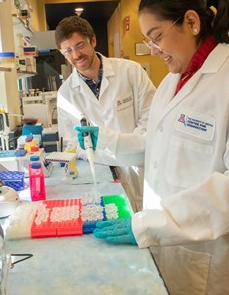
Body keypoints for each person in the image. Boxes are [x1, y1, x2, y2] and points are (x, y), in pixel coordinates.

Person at [75, 0, 229, 295]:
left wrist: (154, 224)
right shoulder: (172, 82)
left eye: (157, 38)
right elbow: (156, 146)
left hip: (223, 261)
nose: (153, 51)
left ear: (191, 22)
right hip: (175, 248)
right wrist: (107, 141)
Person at [55, 15, 155, 212]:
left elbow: (151, 118)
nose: (75, 55)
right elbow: (71, 141)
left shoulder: (130, 71)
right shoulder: (65, 93)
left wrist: (121, 145)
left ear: (93, 41)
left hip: (141, 166)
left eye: (80, 45)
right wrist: (99, 153)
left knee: (150, 228)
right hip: (104, 172)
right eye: (68, 50)